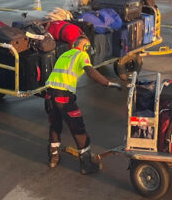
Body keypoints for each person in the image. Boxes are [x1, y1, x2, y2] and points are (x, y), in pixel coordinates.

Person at [45, 37, 121, 174]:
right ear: (84, 47)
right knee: (78, 129)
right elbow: (90, 71)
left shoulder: (64, 54)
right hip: (63, 98)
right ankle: (86, 165)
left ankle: (53, 158)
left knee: (55, 126)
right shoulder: (81, 54)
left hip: (49, 96)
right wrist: (108, 83)